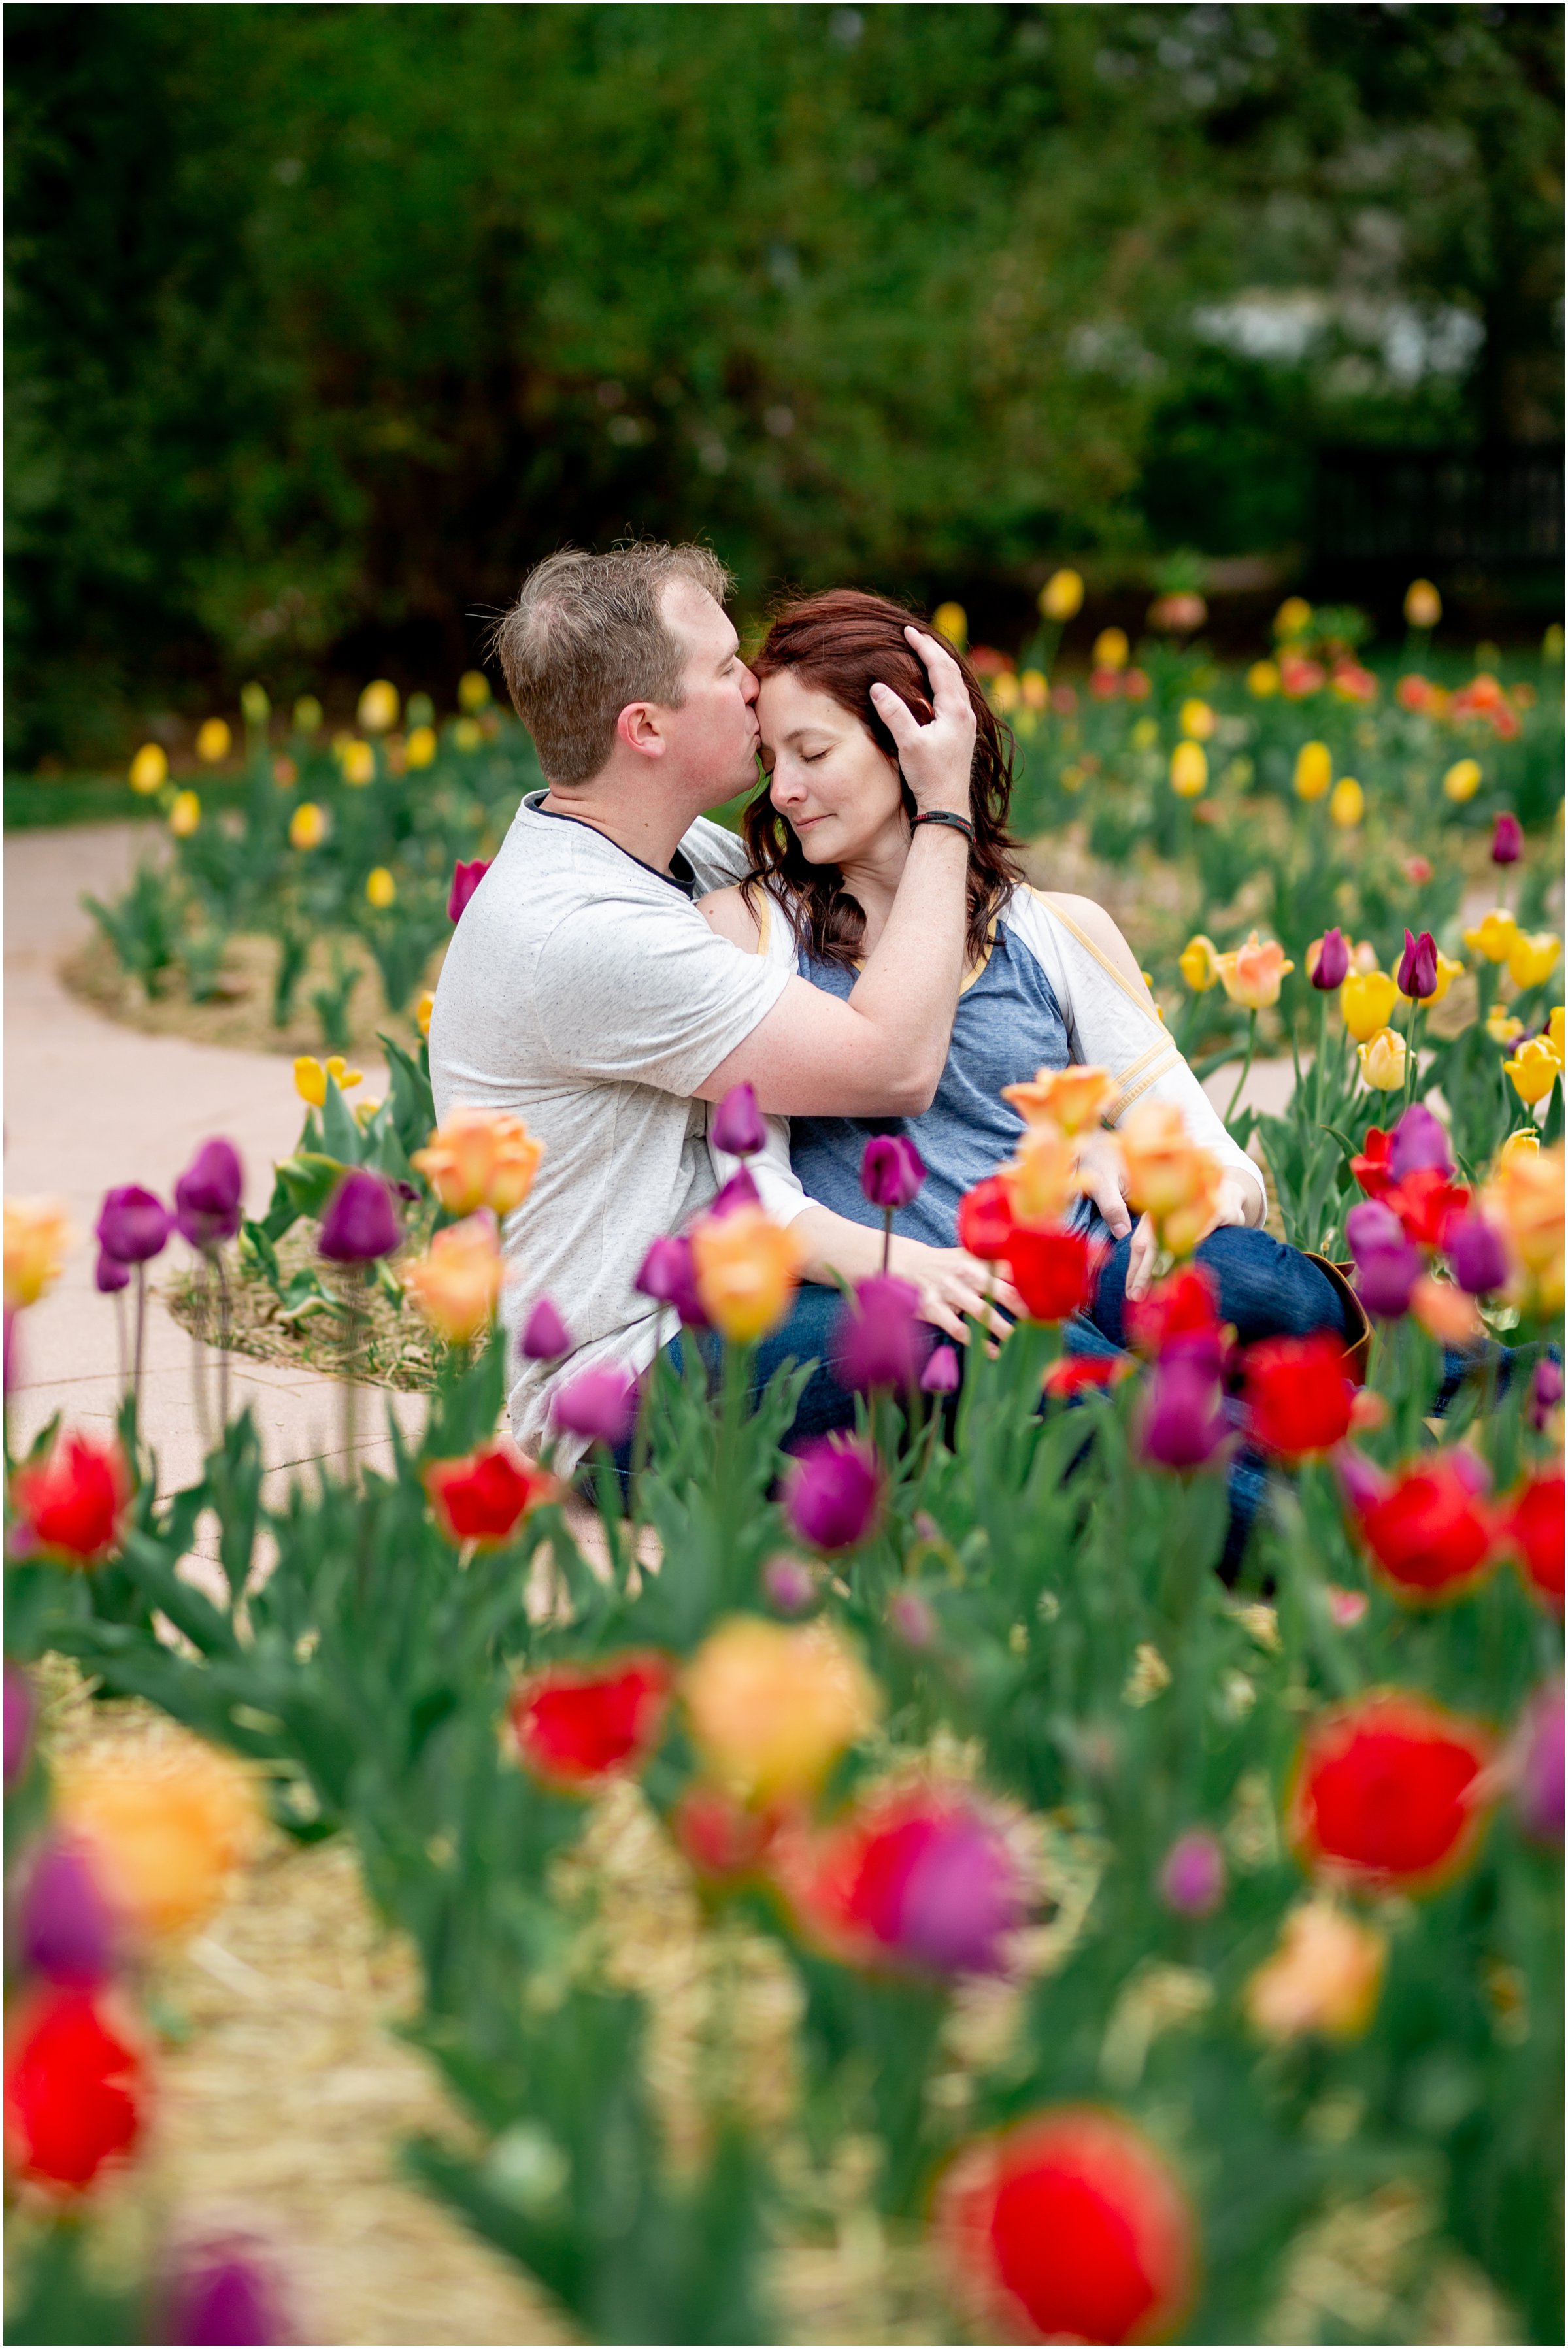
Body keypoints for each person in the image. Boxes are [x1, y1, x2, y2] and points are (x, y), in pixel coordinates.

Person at [696, 589, 1361, 1424]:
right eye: (772, 762)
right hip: (945, 1317)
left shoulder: (1052, 932)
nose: (785, 791)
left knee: (1257, 1284)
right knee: (1085, 1382)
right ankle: (1296, 1449)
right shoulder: (754, 938)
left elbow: (1218, 1158)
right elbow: (750, 1193)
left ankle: (1476, 1382)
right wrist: (903, 1267)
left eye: (813, 753)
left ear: (913, 743)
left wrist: (1211, 1197)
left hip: (1097, 1273)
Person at [428, 543, 986, 1463]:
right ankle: (1294, 1518)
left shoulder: (694, 861)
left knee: (1091, 1307)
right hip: (626, 1381)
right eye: (727, 668)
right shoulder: (580, 931)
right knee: (972, 1342)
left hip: (763, 1293)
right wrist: (942, 807)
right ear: (645, 728)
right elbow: (893, 1063)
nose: (757, 686)